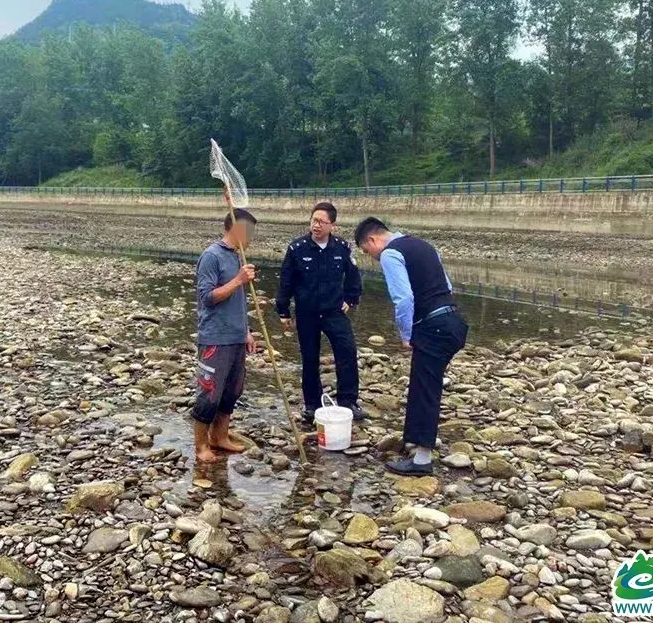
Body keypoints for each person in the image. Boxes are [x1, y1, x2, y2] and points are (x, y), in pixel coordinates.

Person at [353, 217, 468, 476]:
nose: (370, 257)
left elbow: (403, 298)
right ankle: (414, 440)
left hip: (434, 325)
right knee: (424, 381)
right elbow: (446, 285)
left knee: (424, 388)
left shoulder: (391, 254)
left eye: (366, 251)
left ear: (372, 240)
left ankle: (422, 459)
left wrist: (406, 334)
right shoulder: (423, 245)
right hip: (454, 321)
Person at [276, 202, 365, 426]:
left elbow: (353, 276)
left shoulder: (341, 248)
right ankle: (312, 404)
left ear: (331, 225)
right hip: (307, 313)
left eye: (321, 222)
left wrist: (351, 299)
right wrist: (283, 311)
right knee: (309, 358)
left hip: (334, 311)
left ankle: (348, 401)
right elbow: (286, 281)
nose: (316, 225)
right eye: (313, 220)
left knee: (347, 352)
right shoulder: (297, 248)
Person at [193, 208, 258, 463]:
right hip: (215, 337)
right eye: (248, 231)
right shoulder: (211, 256)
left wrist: (247, 332)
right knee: (209, 394)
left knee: (232, 390)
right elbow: (207, 298)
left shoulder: (237, 257)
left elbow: (239, 301)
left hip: (236, 336)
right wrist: (238, 280)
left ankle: (220, 436)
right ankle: (200, 446)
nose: (251, 237)